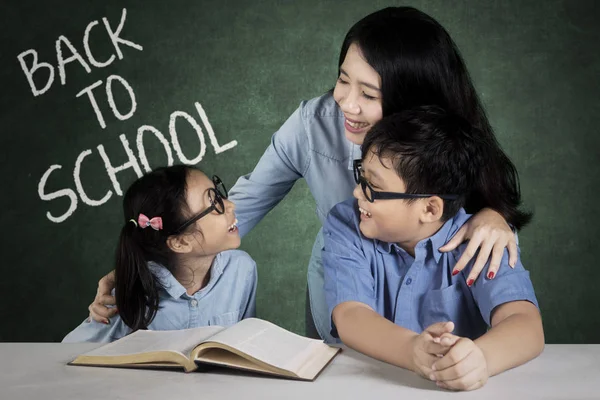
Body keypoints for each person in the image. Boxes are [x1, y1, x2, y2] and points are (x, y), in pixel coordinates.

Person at [87, 7, 530, 343]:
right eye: (342, 80)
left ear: (414, 101)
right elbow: (243, 202)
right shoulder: (313, 126)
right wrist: (145, 259)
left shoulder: (447, 139)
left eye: (369, 94)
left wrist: (492, 215)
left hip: (436, 306)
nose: (346, 103)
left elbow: (467, 206)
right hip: (345, 288)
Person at [323, 107, 543, 391]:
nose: (357, 193)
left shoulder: (480, 239)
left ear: (429, 208)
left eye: (372, 188)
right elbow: (350, 315)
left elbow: (525, 323)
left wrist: (481, 359)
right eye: (361, 177)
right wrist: (412, 349)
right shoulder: (347, 223)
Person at [63, 165, 257, 343]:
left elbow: (247, 344)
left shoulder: (241, 270)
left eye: (218, 194)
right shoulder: (134, 296)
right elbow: (66, 352)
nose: (230, 204)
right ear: (180, 242)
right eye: (214, 203)